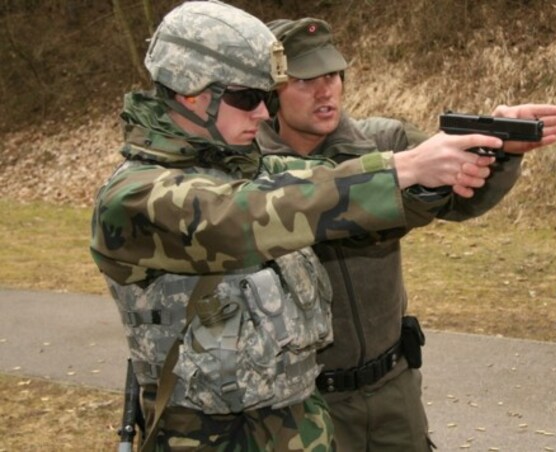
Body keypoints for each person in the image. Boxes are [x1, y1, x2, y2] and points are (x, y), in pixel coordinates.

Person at [90, 2, 507, 450]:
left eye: (267, 97)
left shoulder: (249, 168)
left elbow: (331, 188)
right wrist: (400, 169)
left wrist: (479, 148)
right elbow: (241, 216)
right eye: (248, 97)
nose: (263, 114)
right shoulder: (133, 199)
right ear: (192, 94)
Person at [257, 17, 556, 451]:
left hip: (393, 391)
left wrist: (496, 146)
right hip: (302, 405)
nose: (325, 89)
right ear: (271, 90)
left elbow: (462, 200)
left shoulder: (385, 142)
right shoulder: (249, 178)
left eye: (331, 74)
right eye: (305, 79)